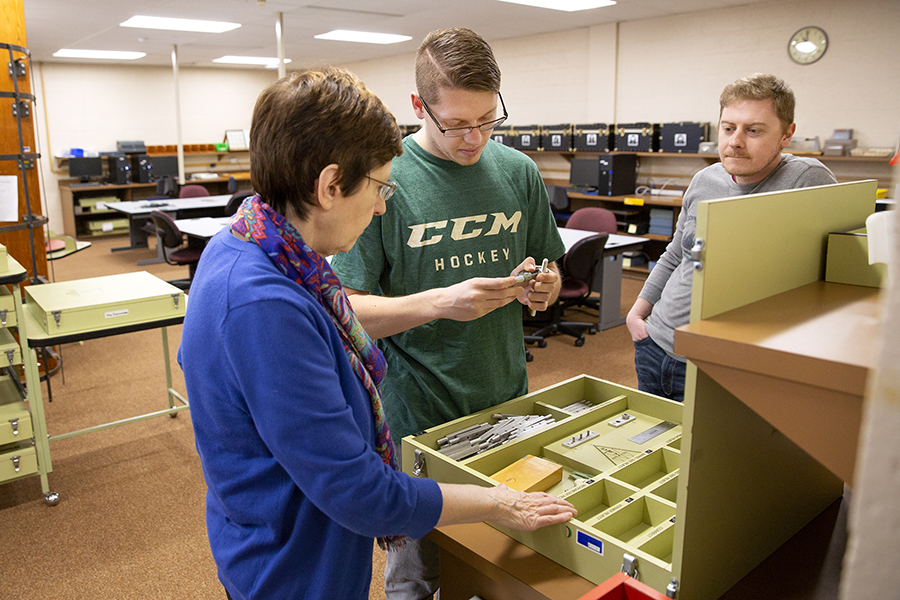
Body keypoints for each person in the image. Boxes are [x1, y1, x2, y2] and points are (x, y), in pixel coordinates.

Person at [177, 67, 576, 600]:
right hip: (292, 567)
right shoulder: (264, 304)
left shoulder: (248, 247)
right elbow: (359, 493)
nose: (384, 204)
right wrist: (500, 502)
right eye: (381, 186)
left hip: (278, 534)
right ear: (330, 185)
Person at [329, 28, 566, 600]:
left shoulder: (517, 172)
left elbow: (550, 279)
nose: (475, 137)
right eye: (457, 123)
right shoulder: (384, 180)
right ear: (419, 106)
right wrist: (440, 302)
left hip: (507, 402)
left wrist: (544, 288)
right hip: (418, 417)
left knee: (499, 564)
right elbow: (344, 311)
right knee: (417, 576)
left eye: (488, 119)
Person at [625, 73, 837, 402]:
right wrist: (638, 314)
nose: (735, 141)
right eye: (728, 128)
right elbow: (677, 254)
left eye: (753, 130)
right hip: (657, 344)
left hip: (725, 362)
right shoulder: (704, 179)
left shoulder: (807, 181)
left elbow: (827, 281)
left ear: (787, 134)